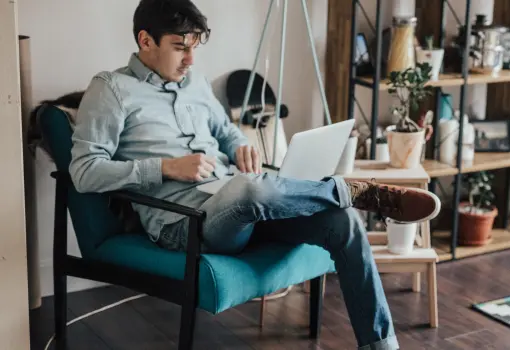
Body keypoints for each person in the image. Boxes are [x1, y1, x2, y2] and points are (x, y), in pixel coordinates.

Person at [69, 0, 440, 349]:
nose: (190, 58)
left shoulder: (195, 83)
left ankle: (380, 344)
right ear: (145, 41)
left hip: (242, 202)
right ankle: (348, 189)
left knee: (342, 222)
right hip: (187, 223)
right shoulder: (111, 90)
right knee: (250, 188)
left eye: (195, 46)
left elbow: (226, 132)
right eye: (180, 46)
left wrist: (239, 147)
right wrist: (165, 167)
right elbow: (84, 172)